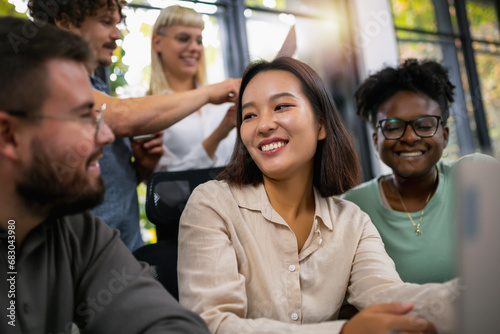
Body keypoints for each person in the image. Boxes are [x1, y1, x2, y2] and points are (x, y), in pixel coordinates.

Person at [177, 57, 457, 333]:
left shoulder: (353, 222)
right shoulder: (213, 204)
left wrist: (469, 297)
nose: (263, 125)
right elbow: (211, 324)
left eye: (281, 106)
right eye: (249, 115)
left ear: (321, 125)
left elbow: (389, 296)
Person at [0, 16, 209, 333]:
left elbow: (167, 323)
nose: (107, 137)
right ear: (8, 135)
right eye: (84, 117)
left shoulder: (77, 232)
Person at [27, 0, 239, 251]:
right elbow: (118, 117)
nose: (117, 34)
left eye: (117, 24)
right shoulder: (51, 78)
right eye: (106, 22)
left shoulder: (97, 87)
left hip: (124, 248)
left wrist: (140, 169)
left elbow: (108, 180)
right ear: (64, 21)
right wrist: (210, 93)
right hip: (89, 256)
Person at [342, 58, 497, 284]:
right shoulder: (355, 206)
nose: (410, 137)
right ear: (376, 141)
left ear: (444, 136)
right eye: (393, 127)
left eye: (424, 125)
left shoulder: (478, 175)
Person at [150, 5, 237, 171]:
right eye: (183, 38)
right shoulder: (150, 109)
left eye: (199, 41)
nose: (194, 48)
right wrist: (219, 134)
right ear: (157, 42)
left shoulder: (223, 102)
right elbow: (167, 187)